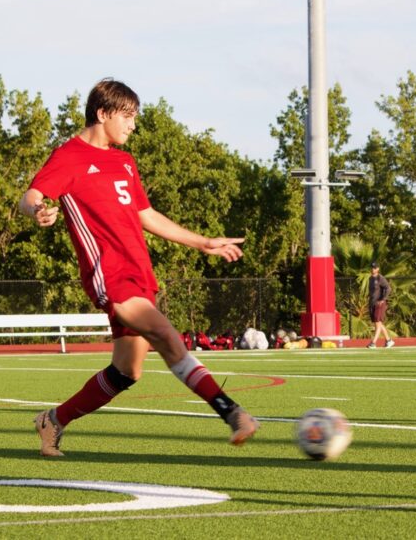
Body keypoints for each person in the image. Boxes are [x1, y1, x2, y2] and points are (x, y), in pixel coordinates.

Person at [19, 78, 258, 457]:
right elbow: (31, 194)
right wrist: (37, 211)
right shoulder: (69, 156)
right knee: (167, 335)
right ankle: (232, 413)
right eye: (127, 116)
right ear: (102, 113)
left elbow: (145, 214)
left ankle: (53, 421)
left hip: (139, 274)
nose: (133, 125)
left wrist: (203, 242)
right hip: (109, 276)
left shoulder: (124, 161)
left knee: (127, 371)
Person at [366, 262, 393, 349]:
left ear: (378, 269)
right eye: (372, 267)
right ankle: (389, 340)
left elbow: (388, 288)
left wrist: (383, 299)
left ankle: (373, 343)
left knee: (377, 323)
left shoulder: (380, 278)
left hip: (379, 304)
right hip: (372, 303)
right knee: (378, 323)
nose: (372, 269)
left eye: (374, 268)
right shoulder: (370, 278)